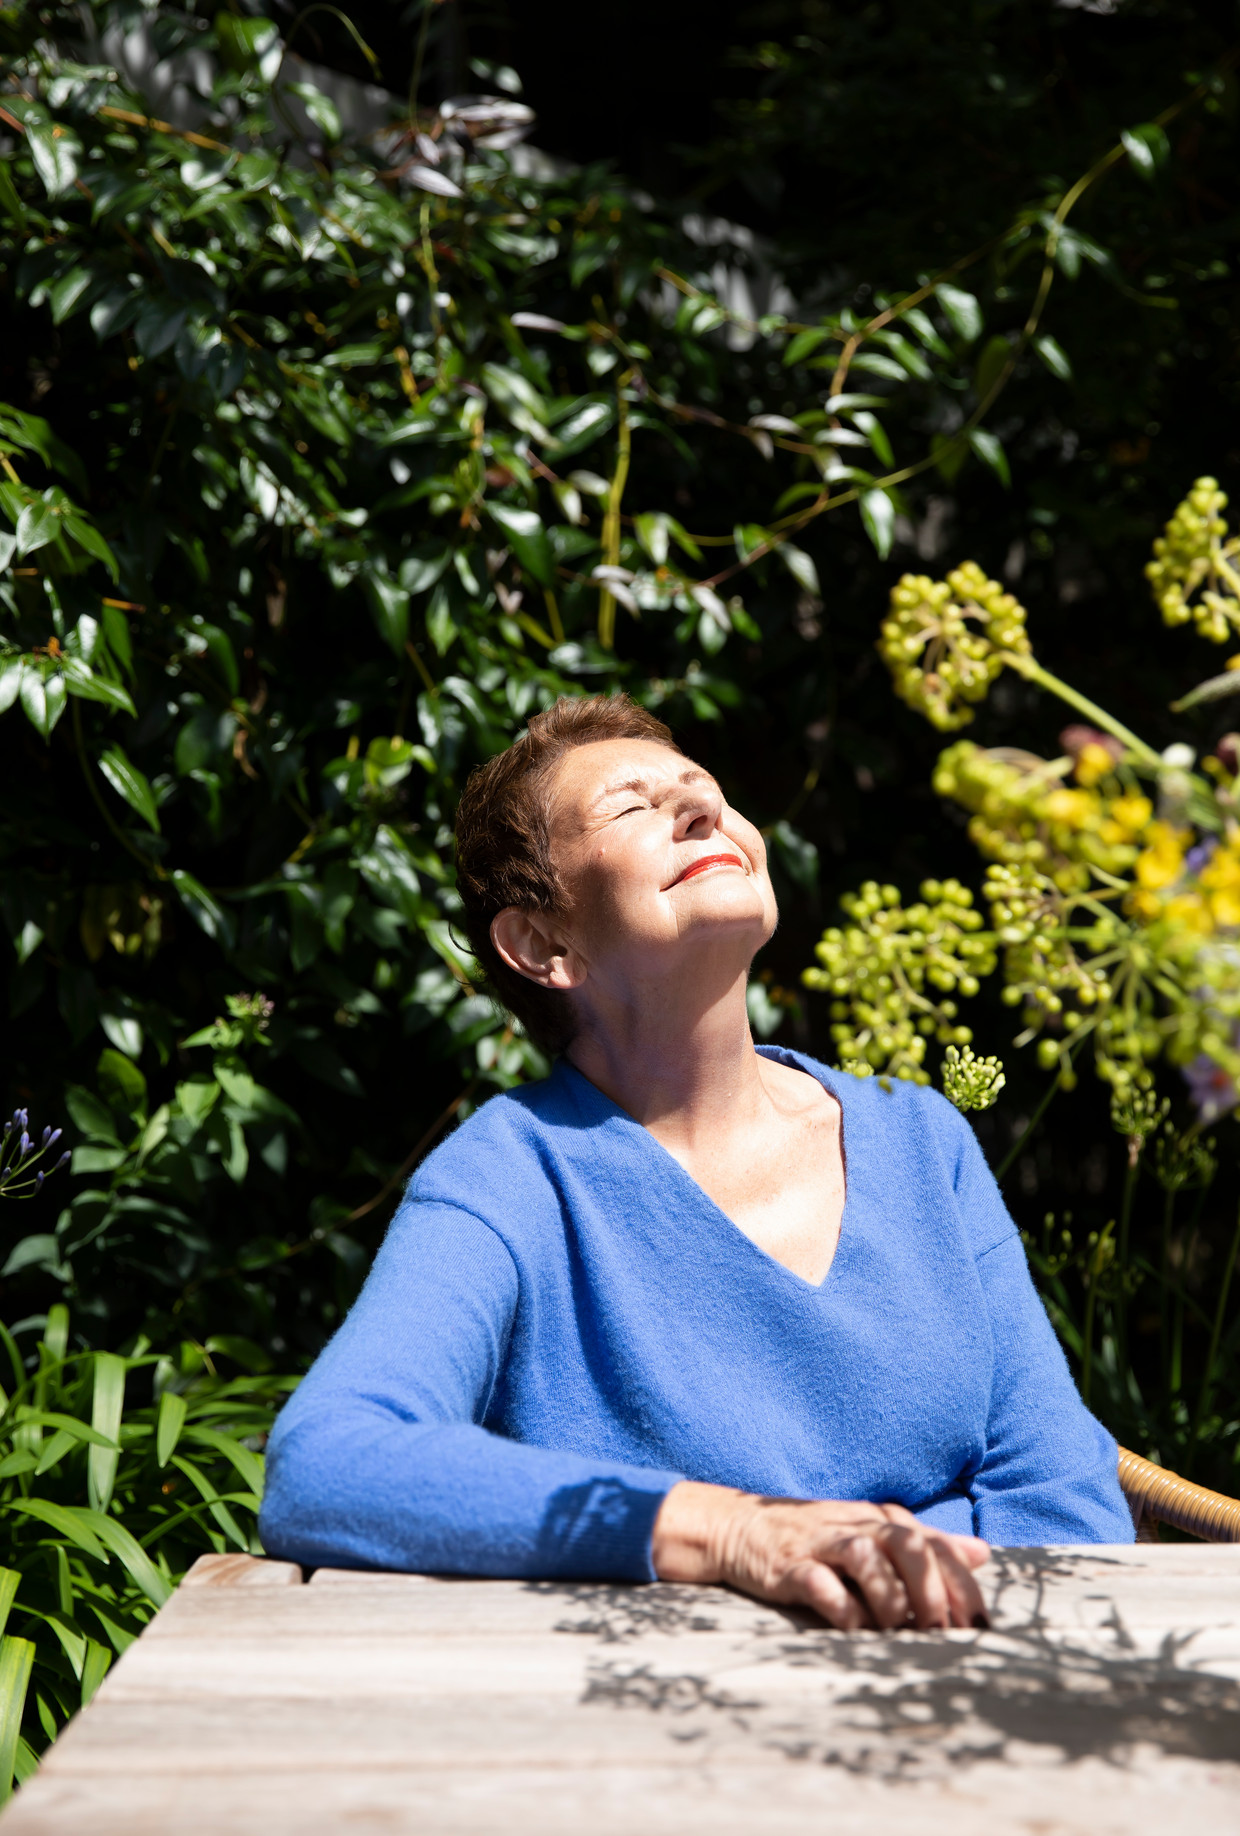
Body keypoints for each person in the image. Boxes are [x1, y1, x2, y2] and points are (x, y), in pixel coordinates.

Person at [259, 695, 1132, 1630]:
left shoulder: (920, 1139)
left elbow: (1056, 1486)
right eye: (632, 807)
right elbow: (328, 1462)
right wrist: (728, 1532)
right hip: (662, 1723)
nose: (700, 810)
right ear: (544, 943)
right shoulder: (510, 1180)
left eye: (704, 790)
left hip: (968, 1685)